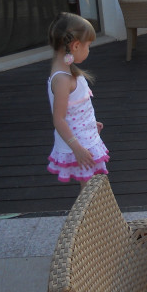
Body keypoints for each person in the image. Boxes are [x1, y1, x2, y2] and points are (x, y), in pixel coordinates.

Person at [46, 12, 109, 189]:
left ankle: (93, 208)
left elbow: (75, 109)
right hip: (79, 145)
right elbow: (59, 119)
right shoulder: (62, 80)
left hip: (85, 138)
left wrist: (90, 124)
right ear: (75, 46)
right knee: (89, 189)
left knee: (93, 187)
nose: (89, 50)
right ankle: (89, 209)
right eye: (88, 46)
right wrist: (77, 148)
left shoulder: (68, 71)